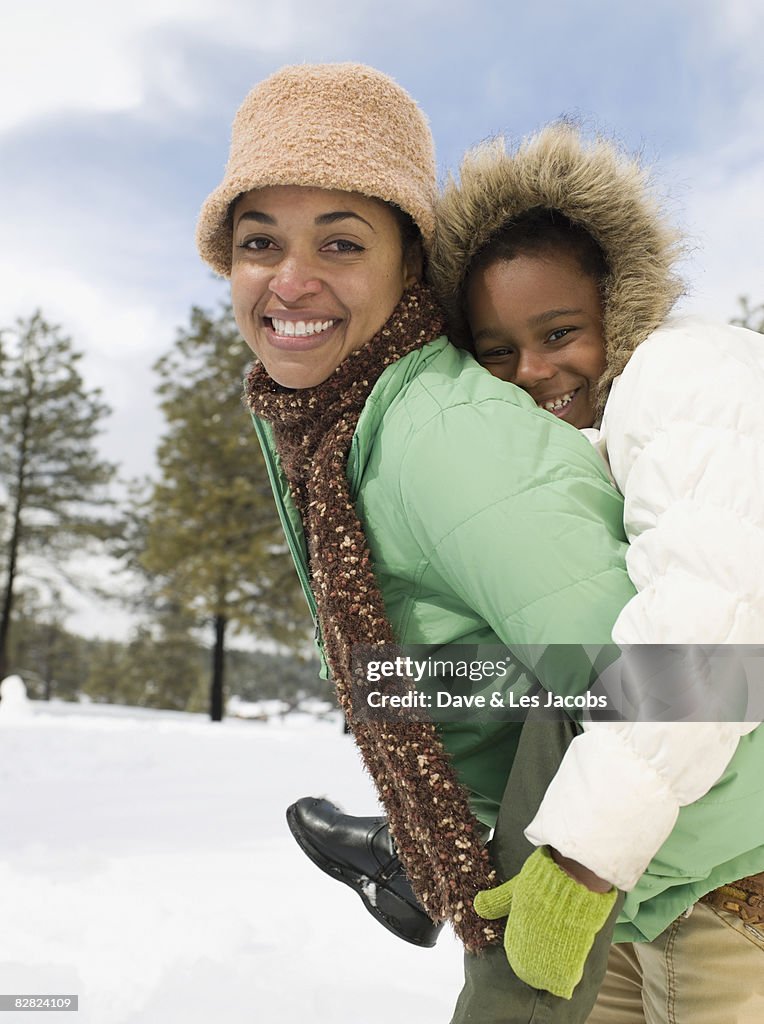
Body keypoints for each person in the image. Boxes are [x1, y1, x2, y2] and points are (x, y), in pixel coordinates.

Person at [196, 66, 639, 1023]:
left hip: (656, 894)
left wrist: (567, 877)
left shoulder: (436, 435)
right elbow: (539, 671)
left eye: (342, 242)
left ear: (410, 263)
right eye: (258, 241)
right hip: (587, 883)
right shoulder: (349, 421)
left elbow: (662, 685)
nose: (291, 279)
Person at [296, 123, 764, 1022]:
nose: (533, 371)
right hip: (664, 889)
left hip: (728, 897)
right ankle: (417, 845)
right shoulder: (595, 431)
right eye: (498, 351)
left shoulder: (686, 373)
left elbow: (706, 626)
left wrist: (584, 858)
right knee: (405, 678)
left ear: (618, 304)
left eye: (560, 333)